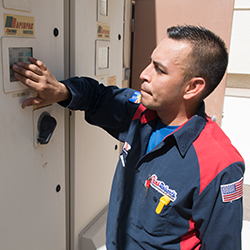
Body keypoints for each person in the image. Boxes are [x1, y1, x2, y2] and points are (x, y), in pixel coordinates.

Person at [13, 25, 244, 250]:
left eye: (160, 70)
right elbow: (97, 96)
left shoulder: (219, 165)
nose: (144, 74)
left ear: (192, 87)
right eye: (150, 62)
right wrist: (61, 91)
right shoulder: (141, 112)